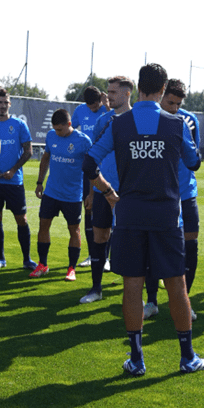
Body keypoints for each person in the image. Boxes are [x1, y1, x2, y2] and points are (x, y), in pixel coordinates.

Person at [83, 63, 204, 375]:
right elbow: (194, 162)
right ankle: (187, 357)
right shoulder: (177, 124)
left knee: (132, 285)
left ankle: (137, 360)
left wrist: (109, 192)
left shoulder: (119, 124)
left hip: (129, 215)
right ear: (163, 90)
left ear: (138, 88)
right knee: (176, 286)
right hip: (167, 217)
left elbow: (89, 161)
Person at [143, 79, 203, 319]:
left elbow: (193, 156)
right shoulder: (148, 118)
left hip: (186, 192)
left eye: (179, 104)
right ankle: (151, 301)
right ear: (160, 95)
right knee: (151, 247)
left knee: (190, 246)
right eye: (170, 102)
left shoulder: (189, 120)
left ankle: (184, 301)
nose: (175, 108)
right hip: (157, 195)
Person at [79, 76, 133, 304]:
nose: (107, 96)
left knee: (135, 240)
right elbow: (93, 159)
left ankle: (140, 289)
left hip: (130, 191)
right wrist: (92, 192)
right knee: (100, 237)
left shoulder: (136, 121)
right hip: (103, 188)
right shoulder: (103, 121)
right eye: (108, 91)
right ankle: (96, 288)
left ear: (128, 93)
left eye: (113, 92)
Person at [30, 109, 92, 280]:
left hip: (72, 195)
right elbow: (45, 158)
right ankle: (42, 264)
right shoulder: (51, 136)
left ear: (69, 124)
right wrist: (39, 182)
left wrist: (91, 194)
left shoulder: (83, 141)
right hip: (51, 192)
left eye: (60, 129)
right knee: (43, 226)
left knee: (74, 230)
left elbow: (92, 169)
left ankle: (71, 268)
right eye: (55, 129)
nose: (57, 132)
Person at [0, 88, 35, 270]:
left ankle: (27, 259)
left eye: (6, 102)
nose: (3, 106)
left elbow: (28, 151)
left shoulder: (19, 124)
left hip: (14, 182)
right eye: (0, 102)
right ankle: (1, 258)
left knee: (22, 219)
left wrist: (13, 170)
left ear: (10, 104)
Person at [72, 86, 109, 267]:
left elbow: (120, 119)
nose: (93, 109)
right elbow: (70, 128)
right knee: (88, 208)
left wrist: (107, 104)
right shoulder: (80, 110)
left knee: (108, 212)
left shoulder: (107, 109)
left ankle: (107, 257)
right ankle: (91, 254)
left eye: (95, 106)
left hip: (107, 167)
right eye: (90, 106)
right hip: (88, 168)